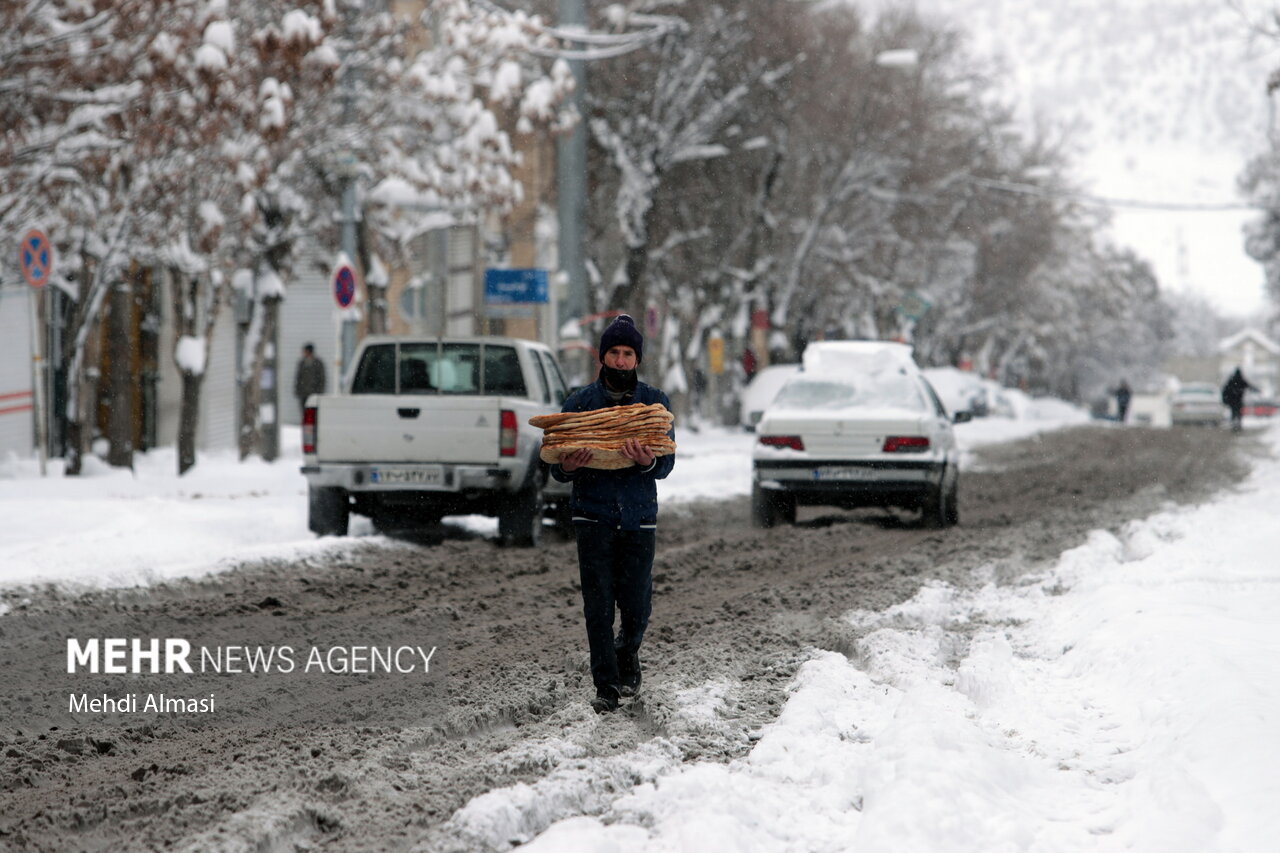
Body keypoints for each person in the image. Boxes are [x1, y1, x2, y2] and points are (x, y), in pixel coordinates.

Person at [550, 314, 676, 714]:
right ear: (602, 356)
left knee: (637, 604)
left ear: (636, 359)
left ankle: (627, 650)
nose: (621, 360)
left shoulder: (655, 405)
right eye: (614, 353)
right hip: (593, 516)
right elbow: (555, 463)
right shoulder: (580, 404)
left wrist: (646, 463)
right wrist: (568, 467)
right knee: (598, 605)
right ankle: (606, 684)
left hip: (639, 517)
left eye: (628, 354)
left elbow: (667, 463)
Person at [1221, 367, 1257, 433]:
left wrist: (1225, 399)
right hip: (1238, 400)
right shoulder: (1240, 380)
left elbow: (1225, 390)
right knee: (1238, 413)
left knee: (1234, 413)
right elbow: (1248, 385)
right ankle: (1238, 425)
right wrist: (1256, 390)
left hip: (1233, 400)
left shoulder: (1232, 380)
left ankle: (1234, 425)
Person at [294, 343, 326, 416]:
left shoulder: (318, 363)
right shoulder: (302, 363)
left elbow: (321, 378)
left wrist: (319, 392)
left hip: (314, 394)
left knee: (313, 414)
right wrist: (298, 390)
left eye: (305, 351)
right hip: (303, 394)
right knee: (304, 413)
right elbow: (298, 377)